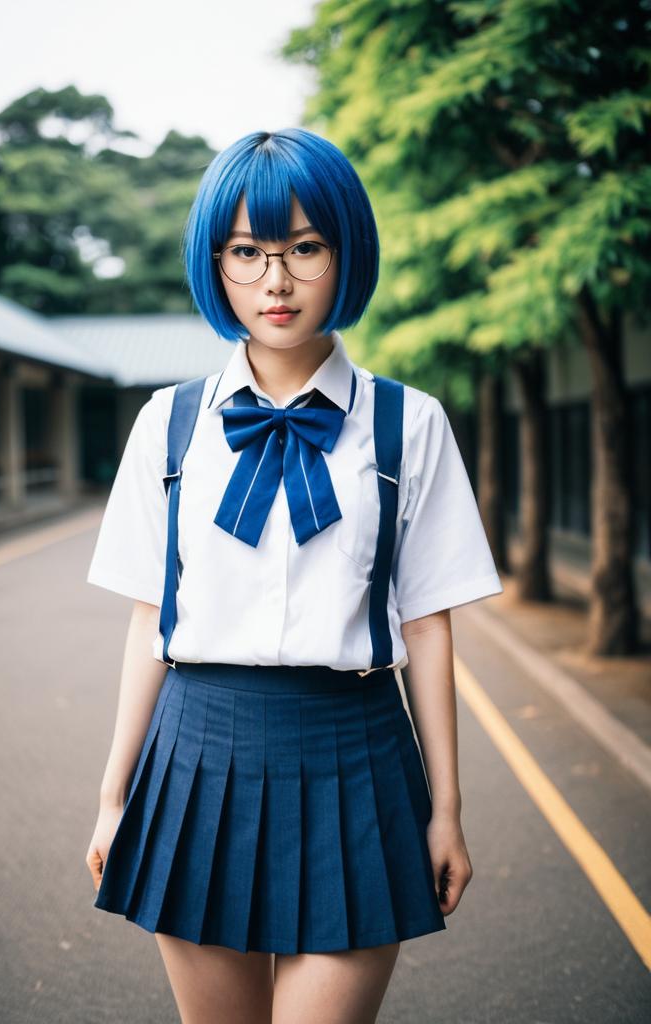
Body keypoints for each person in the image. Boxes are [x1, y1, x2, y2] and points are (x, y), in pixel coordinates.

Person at [84, 127, 503, 1024]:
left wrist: (447, 810)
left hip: (356, 752)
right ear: (217, 262)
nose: (276, 281)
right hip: (196, 755)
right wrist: (115, 797)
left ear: (344, 252)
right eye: (247, 252)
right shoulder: (167, 425)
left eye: (305, 248)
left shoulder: (409, 424)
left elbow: (428, 625)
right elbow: (149, 617)